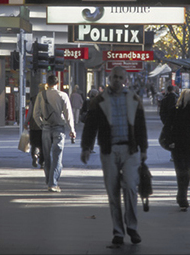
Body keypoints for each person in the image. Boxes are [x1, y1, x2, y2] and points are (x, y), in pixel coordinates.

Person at [81, 66, 148, 246]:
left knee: (130, 188)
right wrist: (86, 147)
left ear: (125, 80)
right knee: (113, 192)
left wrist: (144, 149)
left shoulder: (134, 99)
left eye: (120, 77)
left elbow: (141, 125)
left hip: (130, 150)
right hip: (109, 151)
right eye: (114, 77)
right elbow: (90, 125)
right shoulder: (99, 100)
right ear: (110, 79)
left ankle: (132, 228)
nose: (117, 80)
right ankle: (118, 232)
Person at [33, 74, 75, 192]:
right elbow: (68, 114)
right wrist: (72, 129)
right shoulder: (63, 95)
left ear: (47, 83)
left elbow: (35, 114)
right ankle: (53, 183)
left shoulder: (41, 95)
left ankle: (49, 181)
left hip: (46, 128)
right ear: (57, 84)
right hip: (58, 129)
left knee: (46, 156)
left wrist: (42, 125)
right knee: (57, 156)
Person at [168, 89, 190, 210]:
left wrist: (170, 141)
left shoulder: (174, 110)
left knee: (180, 170)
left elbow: (168, 127)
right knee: (187, 169)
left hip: (176, 144)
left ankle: (181, 194)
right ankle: (183, 195)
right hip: (189, 143)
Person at [27, 87, 44, 168]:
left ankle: (35, 155)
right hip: (44, 125)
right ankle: (42, 161)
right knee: (43, 143)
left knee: (34, 142)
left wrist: (26, 122)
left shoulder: (33, 99)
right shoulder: (47, 98)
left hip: (34, 125)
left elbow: (30, 112)